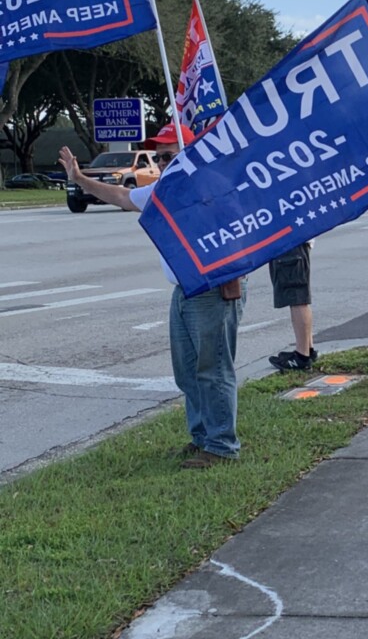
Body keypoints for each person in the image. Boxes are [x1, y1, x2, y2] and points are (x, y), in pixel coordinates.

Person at [59, 124, 246, 470]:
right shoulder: (163, 189)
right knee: (188, 371)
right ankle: (202, 437)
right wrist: (80, 178)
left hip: (213, 289)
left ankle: (222, 445)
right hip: (184, 290)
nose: (161, 162)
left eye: (168, 155)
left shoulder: (214, 185)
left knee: (213, 368)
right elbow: (120, 196)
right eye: (158, 156)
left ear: (190, 154)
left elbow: (240, 229)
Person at [267, 242, 317, 371]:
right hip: (296, 242)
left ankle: (302, 356)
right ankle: (307, 349)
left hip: (289, 242)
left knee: (297, 297)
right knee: (299, 295)